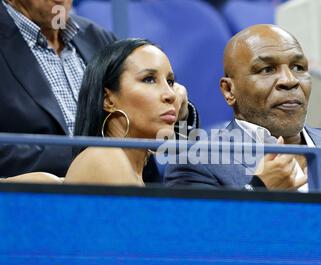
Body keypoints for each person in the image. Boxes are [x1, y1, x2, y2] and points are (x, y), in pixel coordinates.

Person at [164, 24, 321, 194]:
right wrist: (258, 190)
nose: (289, 80)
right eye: (267, 69)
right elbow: (202, 249)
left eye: (298, 67)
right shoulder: (196, 161)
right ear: (229, 91)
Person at [0, 0, 198, 181]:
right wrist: (95, 157)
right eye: (149, 79)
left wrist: (181, 117)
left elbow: (172, 154)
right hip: (28, 204)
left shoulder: (97, 37)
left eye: (170, 82)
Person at [61, 38, 186, 186]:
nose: (171, 95)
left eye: (170, 82)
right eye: (149, 79)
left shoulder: (131, 170)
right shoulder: (106, 158)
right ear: (108, 100)